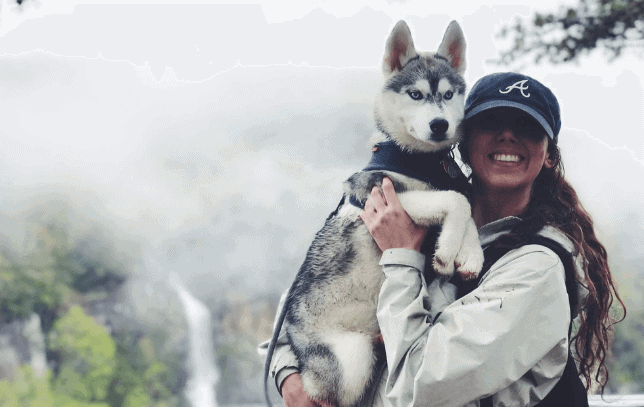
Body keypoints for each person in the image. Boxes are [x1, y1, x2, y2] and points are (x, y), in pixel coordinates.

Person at [260, 72, 625, 406]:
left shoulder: (536, 267)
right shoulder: (418, 211)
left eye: (527, 127)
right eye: (491, 123)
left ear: (548, 155)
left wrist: (402, 257)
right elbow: (310, 296)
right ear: (463, 141)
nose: (508, 135)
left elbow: (421, 386)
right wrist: (289, 373)